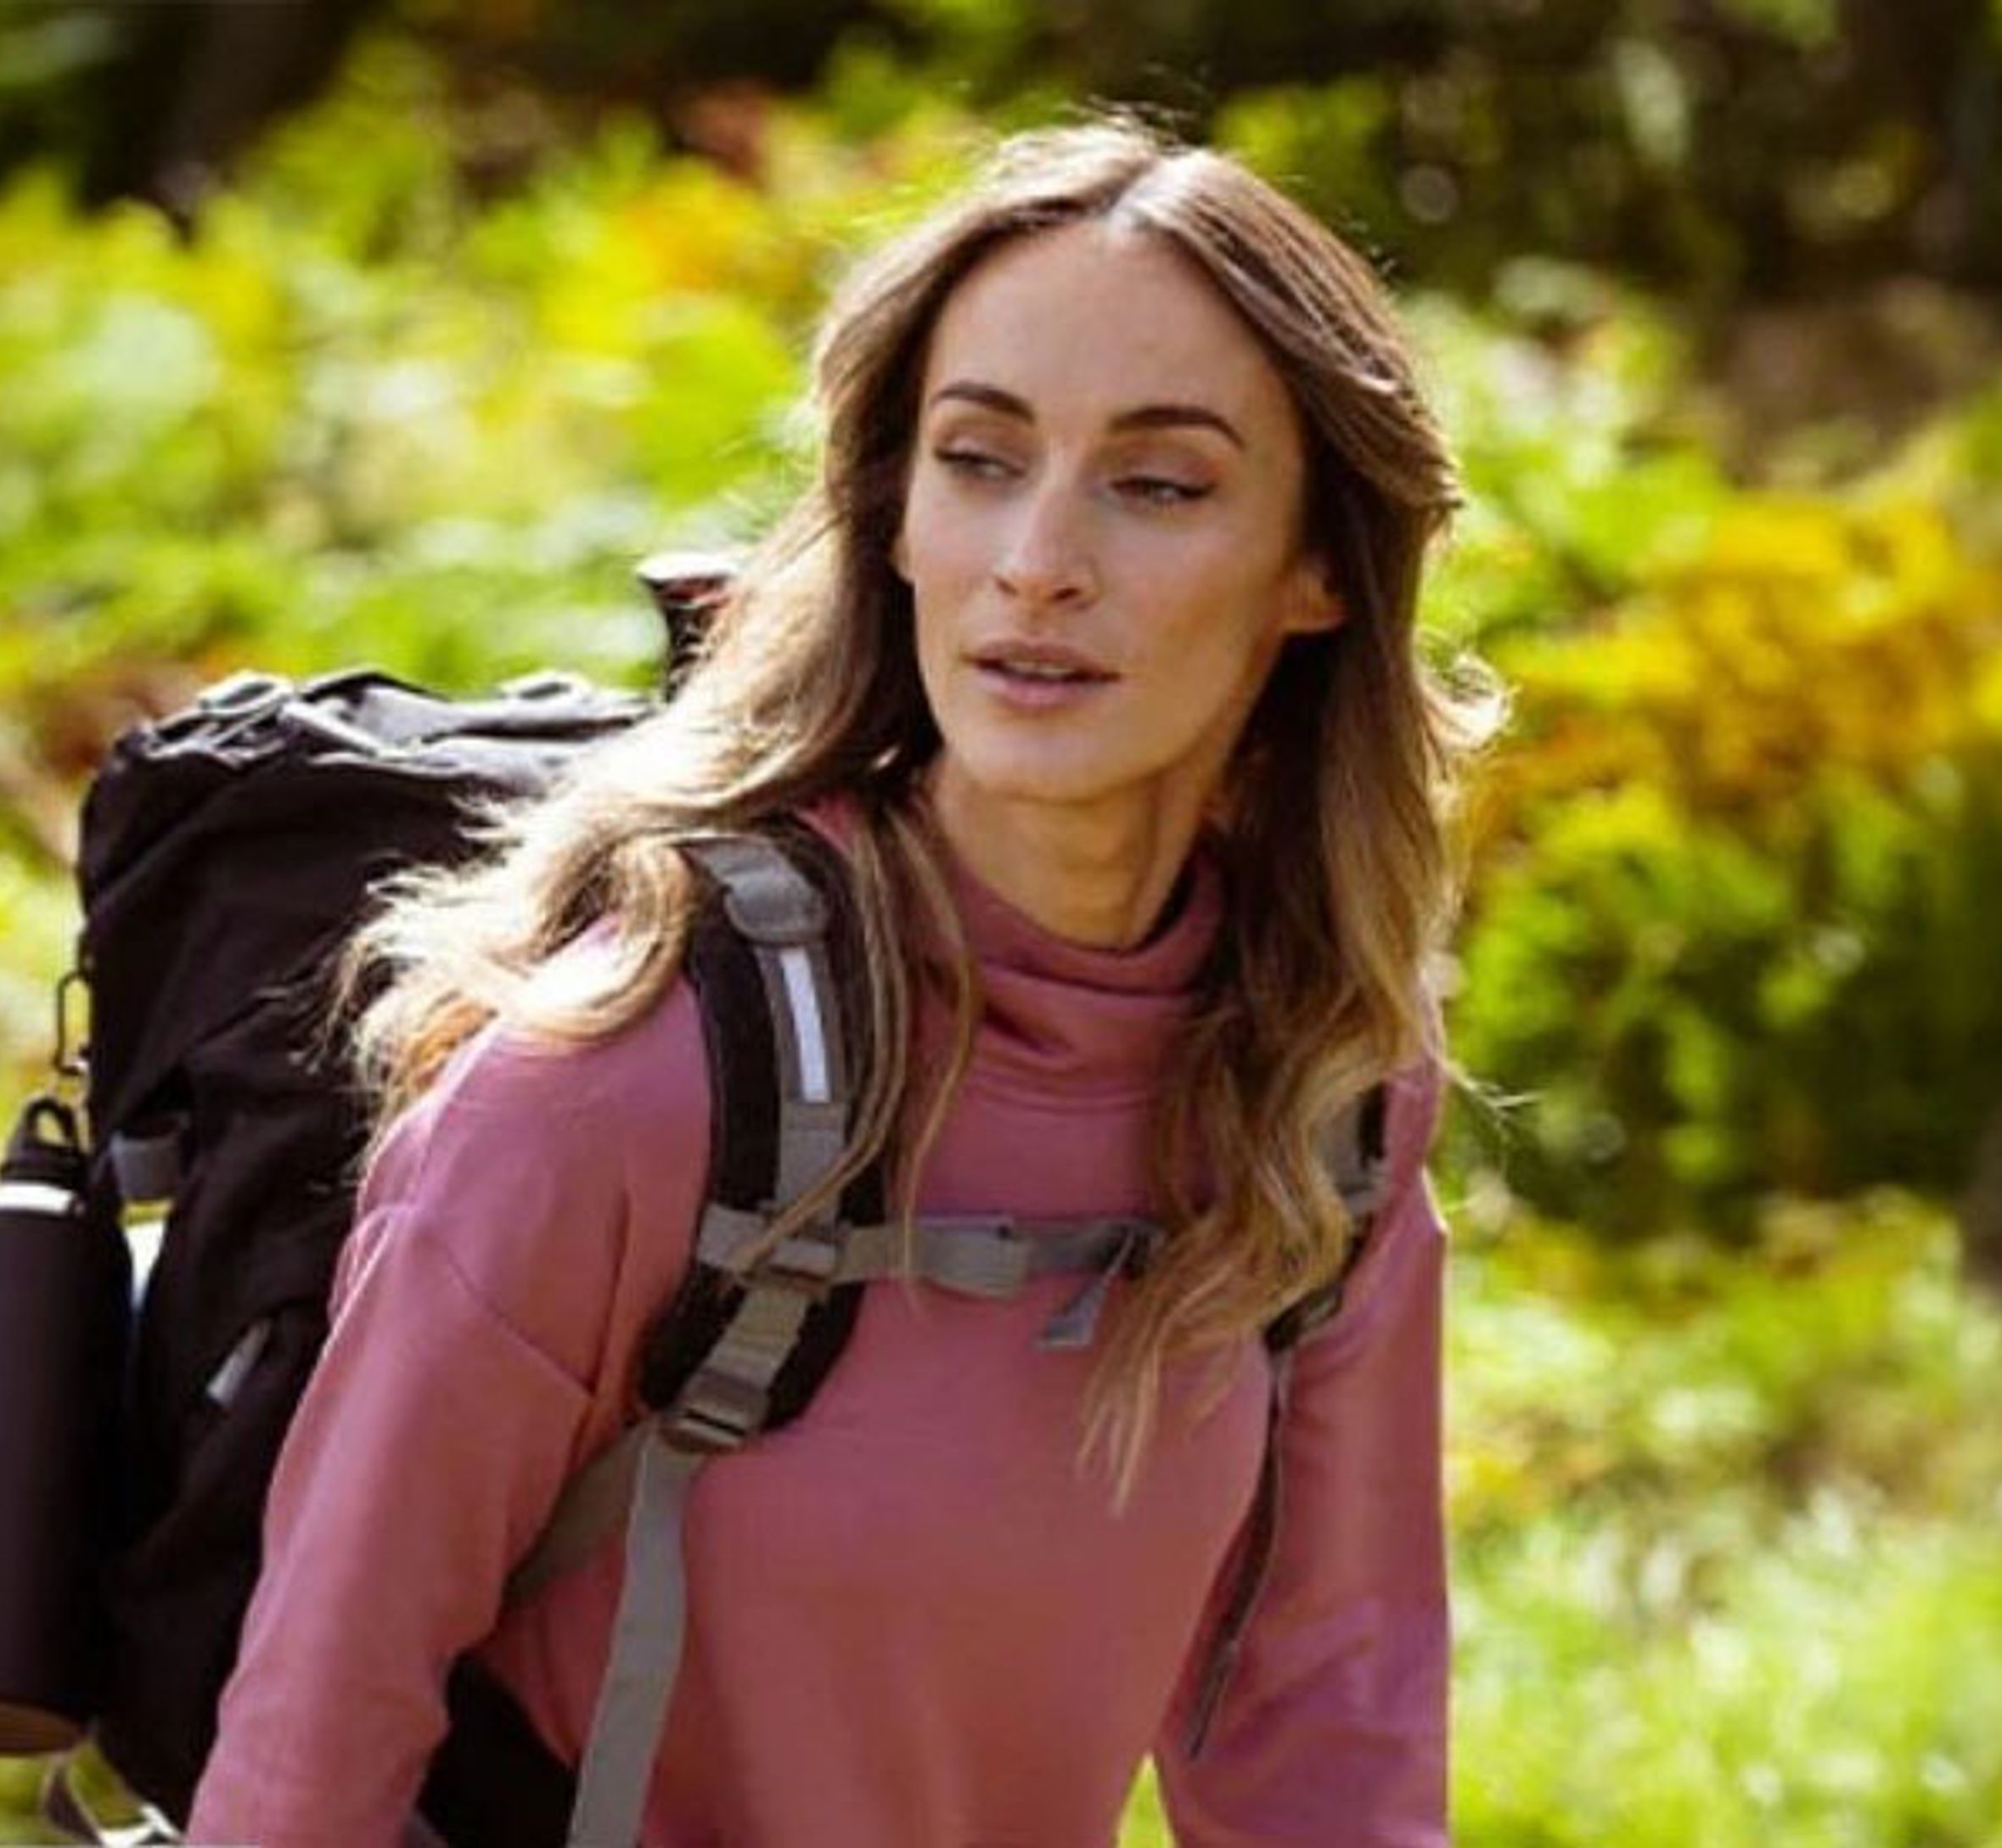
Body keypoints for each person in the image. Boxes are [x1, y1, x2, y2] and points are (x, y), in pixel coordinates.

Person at [185, 115, 1484, 1847]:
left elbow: (1326, 1744)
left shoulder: (1320, 1095)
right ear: (896, 521)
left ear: (1318, 567)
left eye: (1160, 484)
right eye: (978, 460)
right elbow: (309, 1750)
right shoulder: (628, 1080)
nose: (1037, 560)